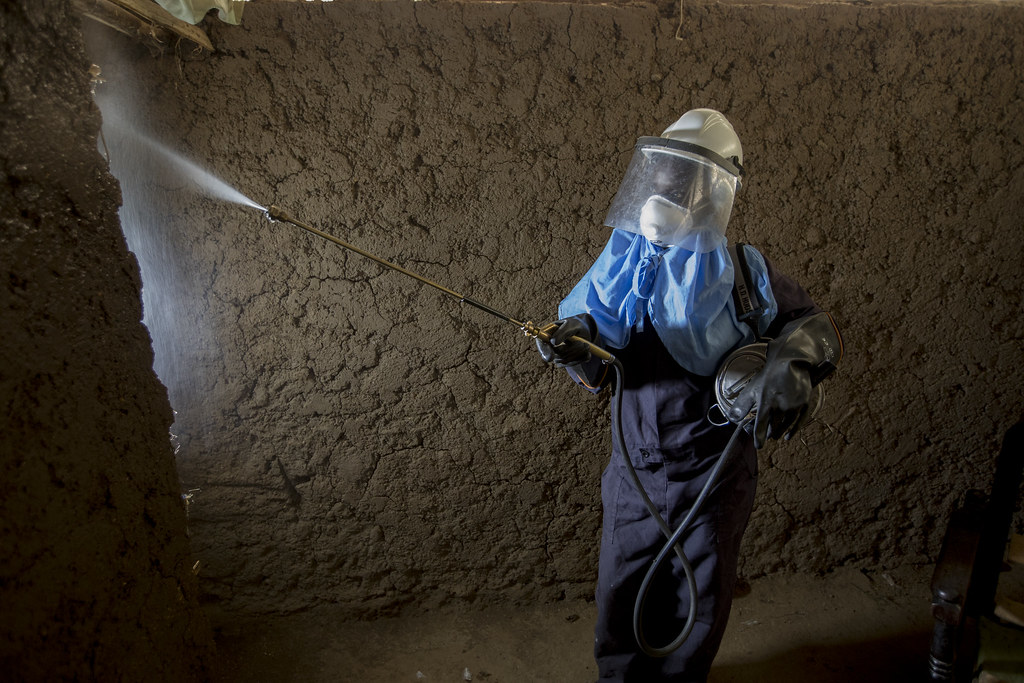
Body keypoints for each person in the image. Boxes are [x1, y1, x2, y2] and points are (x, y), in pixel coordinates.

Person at [536, 109, 843, 682]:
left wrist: (792, 362)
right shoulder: (622, 266)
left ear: (714, 191)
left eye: (685, 178)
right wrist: (574, 344)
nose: (666, 189)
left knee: (697, 597)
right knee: (622, 587)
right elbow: (594, 347)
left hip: (714, 475)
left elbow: (812, 325)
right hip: (636, 473)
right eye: (662, 174)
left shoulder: (744, 274)